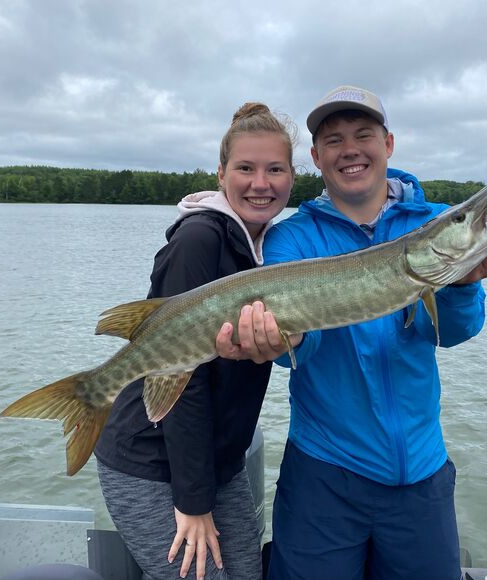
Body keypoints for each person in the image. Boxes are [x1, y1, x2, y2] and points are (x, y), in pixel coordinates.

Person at [216, 86, 487, 580]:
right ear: (316, 158)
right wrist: (285, 339)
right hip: (324, 476)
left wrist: (460, 285)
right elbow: (298, 349)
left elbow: (453, 332)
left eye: (363, 134)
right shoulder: (293, 237)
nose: (350, 149)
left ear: (388, 144)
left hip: (422, 474)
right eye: (334, 139)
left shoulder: (431, 223)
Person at [94, 102, 297, 580]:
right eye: (245, 168)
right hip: (149, 462)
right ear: (222, 173)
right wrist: (192, 503)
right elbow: (179, 377)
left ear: (293, 176)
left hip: (214, 463)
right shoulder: (198, 240)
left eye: (275, 169)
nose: (260, 183)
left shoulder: (266, 247)